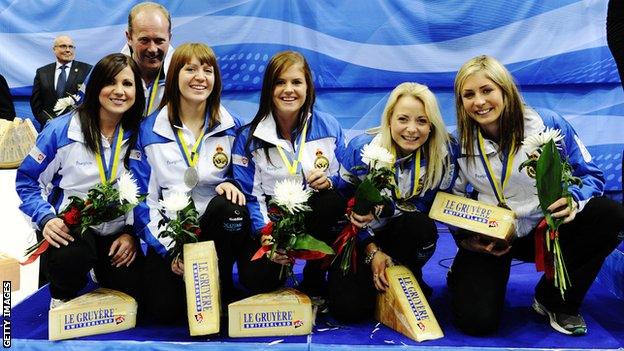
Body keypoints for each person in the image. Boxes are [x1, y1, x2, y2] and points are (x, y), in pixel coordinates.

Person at [448, 55, 624, 336]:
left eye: (487, 90)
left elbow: (592, 176)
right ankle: (462, 276)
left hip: (547, 231)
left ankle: (555, 301)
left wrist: (572, 200)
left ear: (506, 90)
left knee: (610, 215)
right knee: (477, 323)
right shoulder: (458, 143)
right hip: (491, 236)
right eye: (468, 95)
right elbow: (449, 199)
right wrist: (467, 239)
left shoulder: (548, 125)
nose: (479, 102)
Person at [16, 53, 146, 308]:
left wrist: (131, 233)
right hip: (74, 228)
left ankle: (101, 269)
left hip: (117, 232)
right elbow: (27, 180)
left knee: (134, 288)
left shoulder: (138, 133)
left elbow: (146, 187)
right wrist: (46, 218)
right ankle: (62, 294)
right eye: (111, 82)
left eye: (127, 84)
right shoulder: (61, 130)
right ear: (96, 85)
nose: (119, 91)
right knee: (72, 256)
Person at [131, 43, 248, 323]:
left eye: (207, 71)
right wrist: (170, 250)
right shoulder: (148, 130)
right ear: (174, 76)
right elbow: (140, 202)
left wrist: (234, 183)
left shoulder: (233, 127)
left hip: (215, 231)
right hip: (172, 234)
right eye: (190, 69)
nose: (200, 77)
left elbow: (251, 179)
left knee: (229, 206)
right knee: (165, 311)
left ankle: (221, 276)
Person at [328, 82, 457, 322]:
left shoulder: (444, 155)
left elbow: (430, 207)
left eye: (421, 121)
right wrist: (371, 249)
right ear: (389, 120)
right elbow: (342, 204)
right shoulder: (362, 150)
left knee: (421, 226)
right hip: (361, 237)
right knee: (349, 311)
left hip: (403, 235)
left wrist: (389, 209)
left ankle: (406, 272)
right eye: (403, 119)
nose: (412, 129)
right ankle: (374, 276)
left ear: (432, 125)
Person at [232, 50, 347, 298]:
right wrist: (266, 237)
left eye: (296, 82)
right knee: (256, 281)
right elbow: (252, 197)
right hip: (273, 226)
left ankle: (315, 273)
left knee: (331, 201)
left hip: (313, 220)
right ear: (269, 89)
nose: (289, 90)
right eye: (280, 82)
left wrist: (330, 181)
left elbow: (345, 179)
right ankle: (278, 265)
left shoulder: (329, 127)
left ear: (308, 87)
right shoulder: (248, 138)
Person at [123, 1, 173, 116]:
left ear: (169, 37)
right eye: (144, 40)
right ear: (129, 37)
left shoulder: (181, 77)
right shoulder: (107, 74)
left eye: (159, 40)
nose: (152, 49)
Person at [30, 35, 92, 127]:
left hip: (77, 127)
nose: (68, 50)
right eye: (63, 46)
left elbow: (91, 100)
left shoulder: (87, 70)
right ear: (54, 49)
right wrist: (47, 122)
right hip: (49, 126)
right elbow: (36, 102)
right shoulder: (42, 72)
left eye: (71, 47)